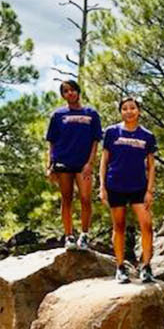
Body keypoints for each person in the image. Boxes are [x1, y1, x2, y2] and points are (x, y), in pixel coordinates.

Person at [101, 97, 158, 283]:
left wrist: (149, 190)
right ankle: (120, 267)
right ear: (120, 112)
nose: (129, 111)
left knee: (147, 226)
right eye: (125, 108)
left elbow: (151, 166)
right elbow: (104, 161)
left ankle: (146, 267)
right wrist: (102, 187)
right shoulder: (111, 132)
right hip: (115, 185)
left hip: (139, 187)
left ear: (138, 111)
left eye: (132, 108)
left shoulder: (147, 136)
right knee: (119, 227)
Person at [48, 80, 101, 250]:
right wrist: (50, 165)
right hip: (63, 162)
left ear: (78, 91)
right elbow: (52, 142)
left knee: (86, 199)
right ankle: (69, 236)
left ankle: (84, 235)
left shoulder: (91, 114)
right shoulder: (58, 115)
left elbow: (95, 141)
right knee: (66, 199)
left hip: (83, 164)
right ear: (63, 95)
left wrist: (90, 163)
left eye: (72, 90)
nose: (69, 93)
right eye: (65, 91)